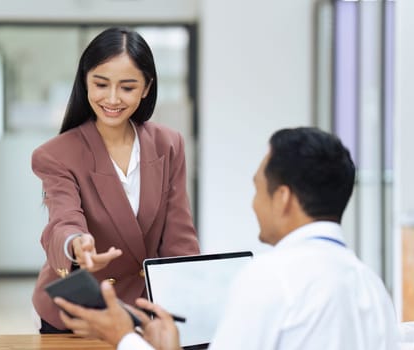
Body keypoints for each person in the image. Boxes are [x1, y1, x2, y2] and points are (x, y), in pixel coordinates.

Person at [54, 127, 399, 349]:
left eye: (257, 189)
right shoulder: (373, 288)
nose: (253, 203)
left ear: (283, 199)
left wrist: (124, 338)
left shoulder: (271, 279)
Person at [31, 26, 200, 334]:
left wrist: (193, 305)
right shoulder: (56, 154)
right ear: (85, 81)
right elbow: (62, 220)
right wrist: (77, 245)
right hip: (78, 309)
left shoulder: (169, 144)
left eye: (127, 87)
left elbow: (179, 238)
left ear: (147, 87)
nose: (112, 99)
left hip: (143, 309)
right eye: (101, 84)